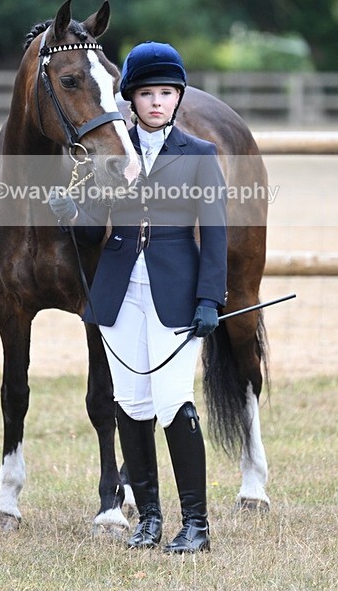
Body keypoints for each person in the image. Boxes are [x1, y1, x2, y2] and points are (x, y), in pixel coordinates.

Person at [49, 42, 227, 553]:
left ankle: (196, 524)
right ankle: (149, 519)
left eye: (166, 93)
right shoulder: (111, 150)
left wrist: (210, 298)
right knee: (131, 402)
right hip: (120, 292)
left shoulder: (201, 155)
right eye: (146, 93)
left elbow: (214, 233)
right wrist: (70, 213)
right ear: (130, 97)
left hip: (177, 291)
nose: (156, 102)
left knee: (174, 401)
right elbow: (91, 228)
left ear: (177, 97)